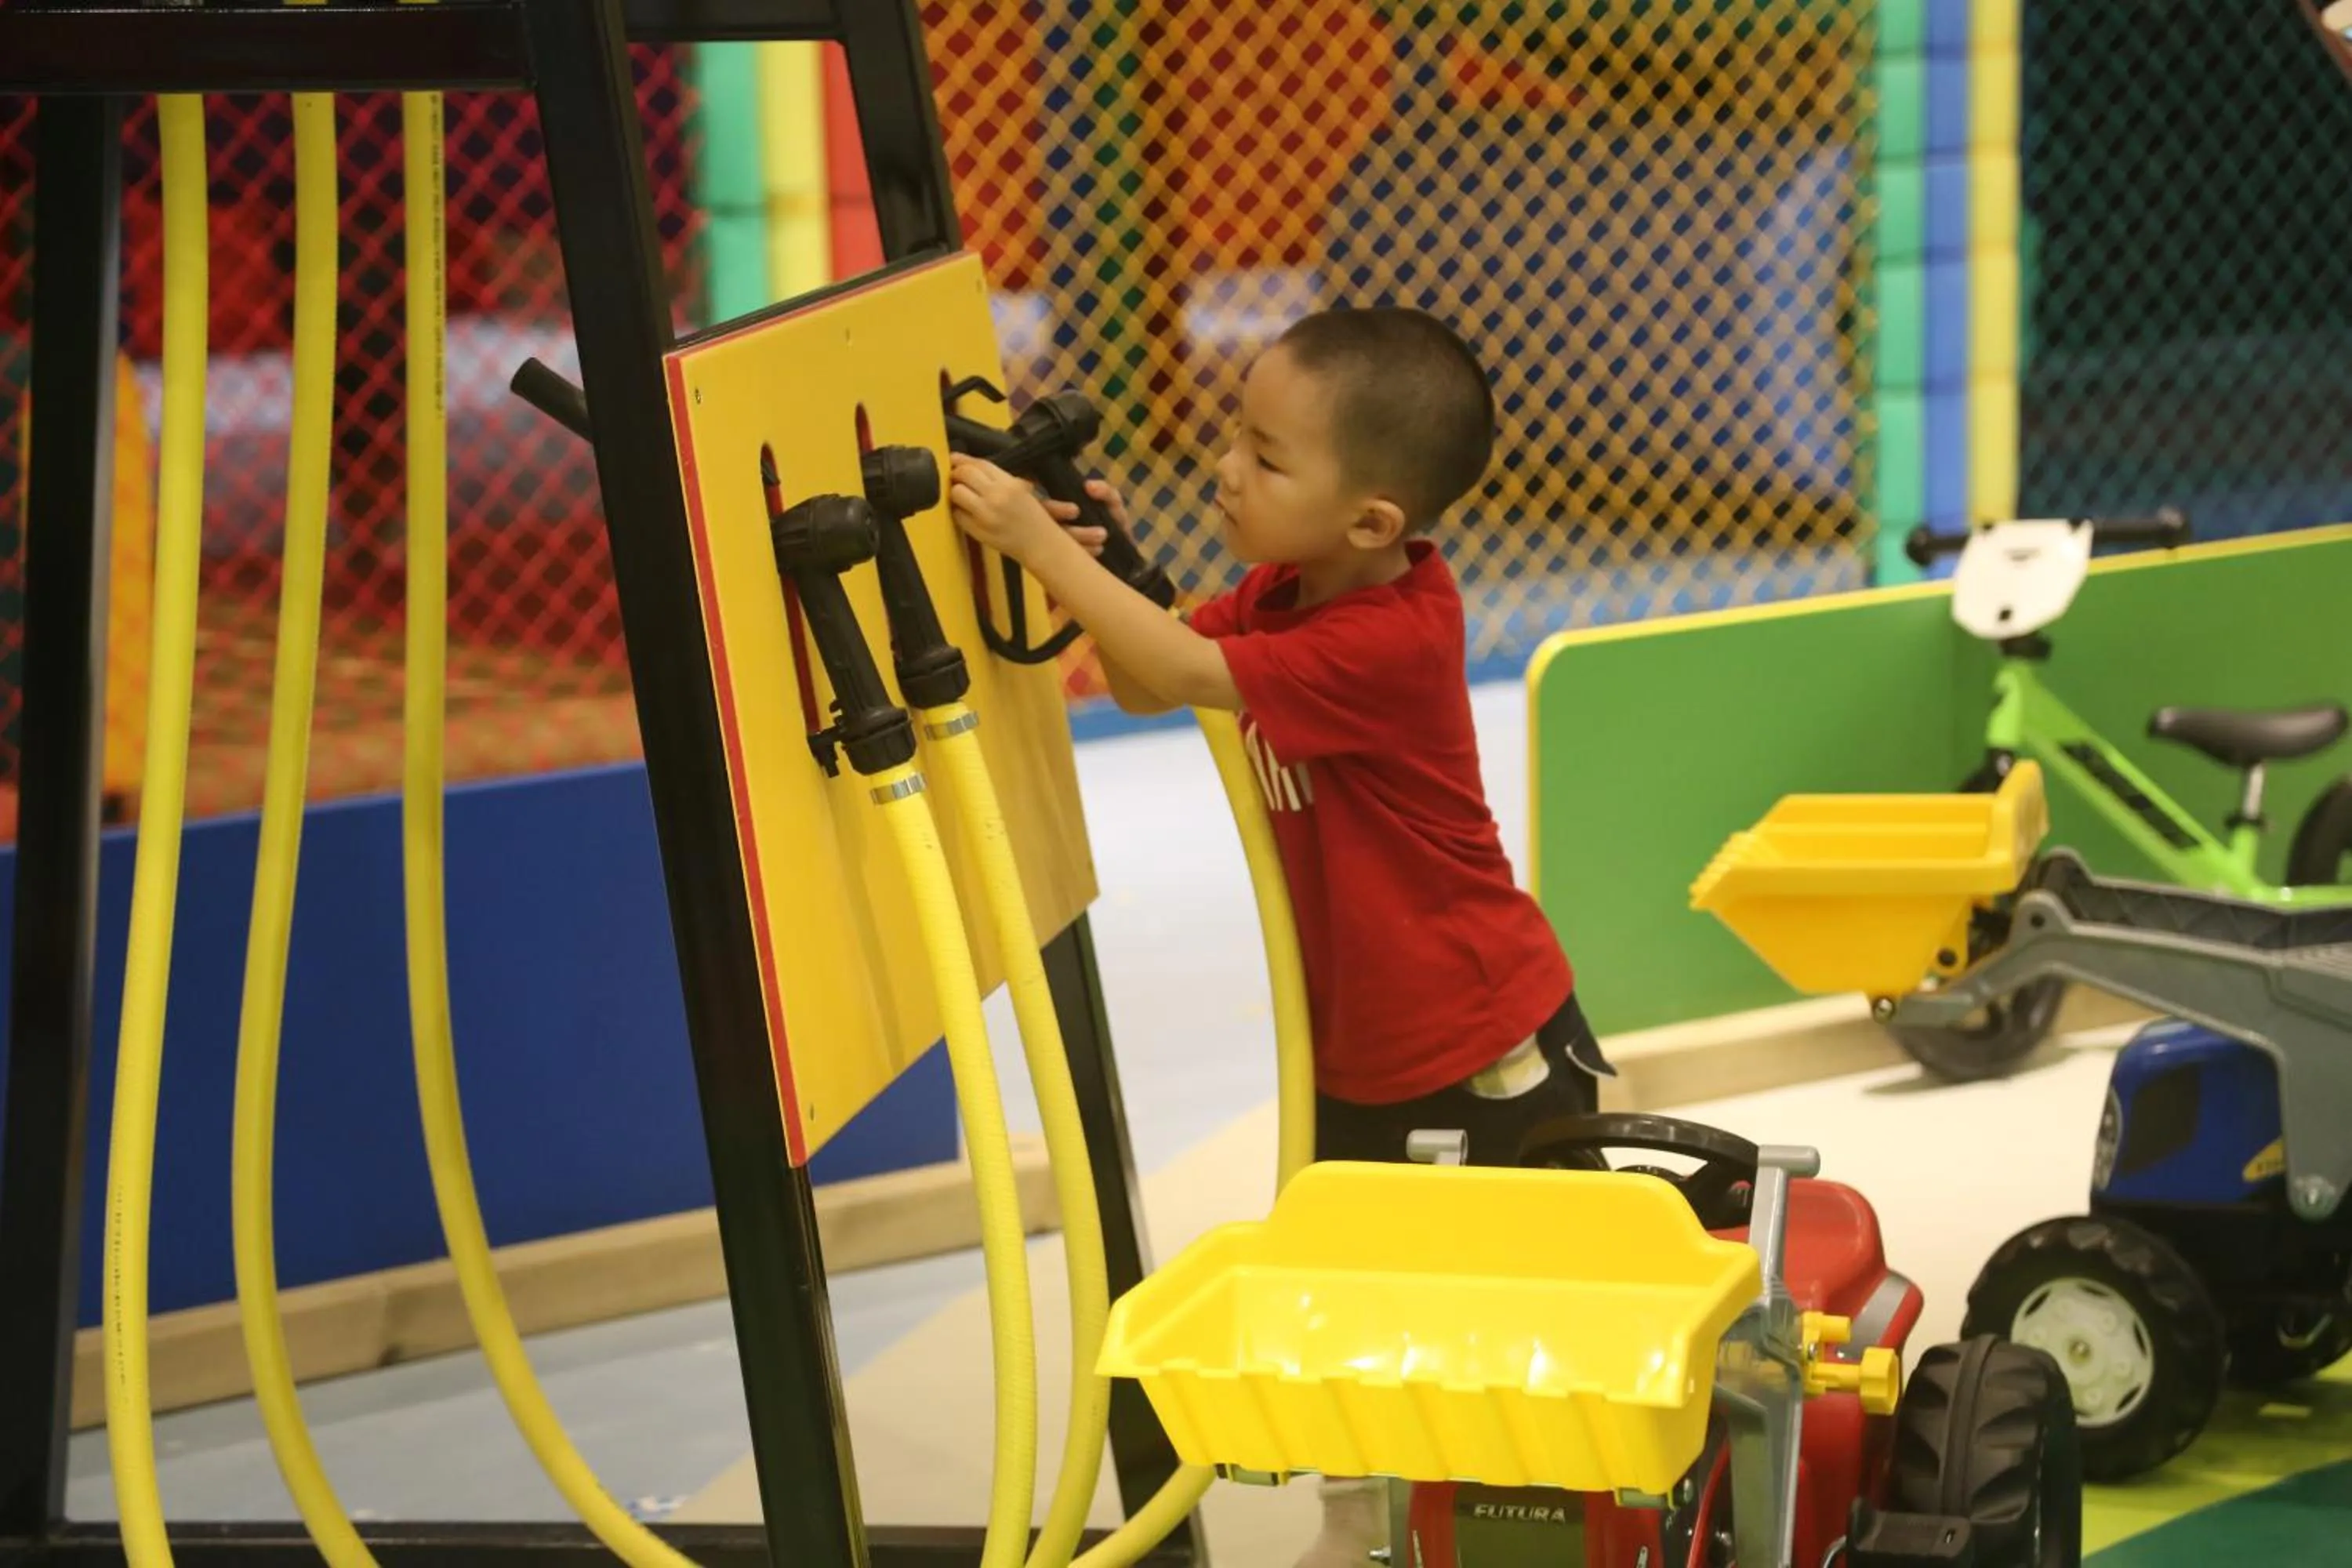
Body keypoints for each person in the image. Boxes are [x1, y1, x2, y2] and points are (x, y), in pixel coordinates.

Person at [947, 305, 1609, 1568]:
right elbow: (1153, 673)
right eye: (1231, 437)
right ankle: (1362, 1531)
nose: (1225, 469)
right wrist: (1102, 558)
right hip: (1361, 1049)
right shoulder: (1287, 592)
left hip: (1473, 1046)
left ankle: (1507, 1526)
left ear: (1375, 520)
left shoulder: (1388, 636)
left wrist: (1043, 546)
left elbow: (1187, 679)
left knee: (1478, 1316)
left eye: (1264, 455)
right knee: (1351, 1303)